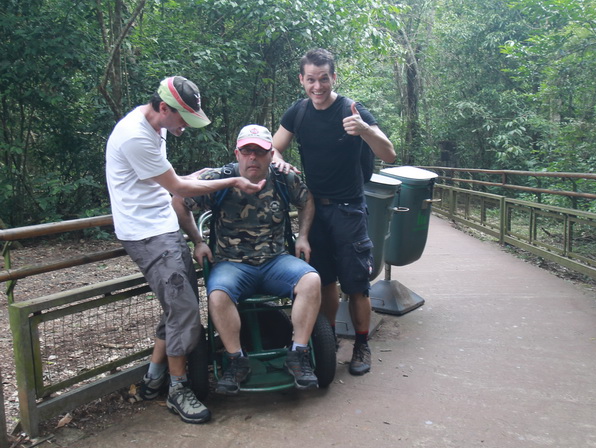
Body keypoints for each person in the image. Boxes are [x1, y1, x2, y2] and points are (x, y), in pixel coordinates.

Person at [105, 76, 265, 424]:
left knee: (176, 307)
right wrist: (236, 179)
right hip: (147, 234)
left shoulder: (154, 124)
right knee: (185, 312)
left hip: (162, 223)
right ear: (164, 108)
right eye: (182, 119)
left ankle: (152, 379)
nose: (184, 127)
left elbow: (163, 182)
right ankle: (178, 390)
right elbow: (178, 186)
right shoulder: (135, 136)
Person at [271, 48, 397, 376]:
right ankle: (327, 345)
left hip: (350, 210)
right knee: (323, 280)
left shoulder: (352, 111)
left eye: (323, 79)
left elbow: (390, 153)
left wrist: (364, 129)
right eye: (311, 79)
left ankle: (361, 344)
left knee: (356, 284)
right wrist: (279, 161)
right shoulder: (298, 113)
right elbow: (270, 148)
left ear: (333, 77)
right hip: (314, 210)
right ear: (301, 80)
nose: (317, 86)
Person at [172, 124, 322, 393]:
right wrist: (198, 241)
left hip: (275, 261)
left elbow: (307, 200)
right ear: (237, 153)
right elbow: (179, 200)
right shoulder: (219, 179)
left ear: (271, 154)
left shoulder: (284, 178)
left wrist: (303, 236)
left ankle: (298, 354)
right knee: (217, 295)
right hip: (232, 265)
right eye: (247, 151)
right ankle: (236, 360)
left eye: (260, 151)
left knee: (312, 280)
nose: (253, 157)